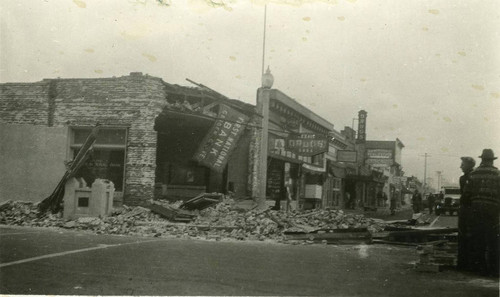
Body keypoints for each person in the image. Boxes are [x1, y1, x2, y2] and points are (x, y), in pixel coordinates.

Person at [464, 149, 500, 277]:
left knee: (479, 239)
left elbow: (466, 194)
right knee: (493, 240)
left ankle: (480, 269)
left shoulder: (474, 174)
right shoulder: (497, 174)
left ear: (482, 159)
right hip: (493, 210)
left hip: (476, 209)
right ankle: (494, 270)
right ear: (491, 160)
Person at [457, 156, 476, 271]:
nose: (460, 166)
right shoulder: (463, 178)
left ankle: (465, 263)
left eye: (463, 164)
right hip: (468, 208)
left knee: (466, 234)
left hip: (469, 209)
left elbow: (465, 195)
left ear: (469, 165)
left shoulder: (469, 178)